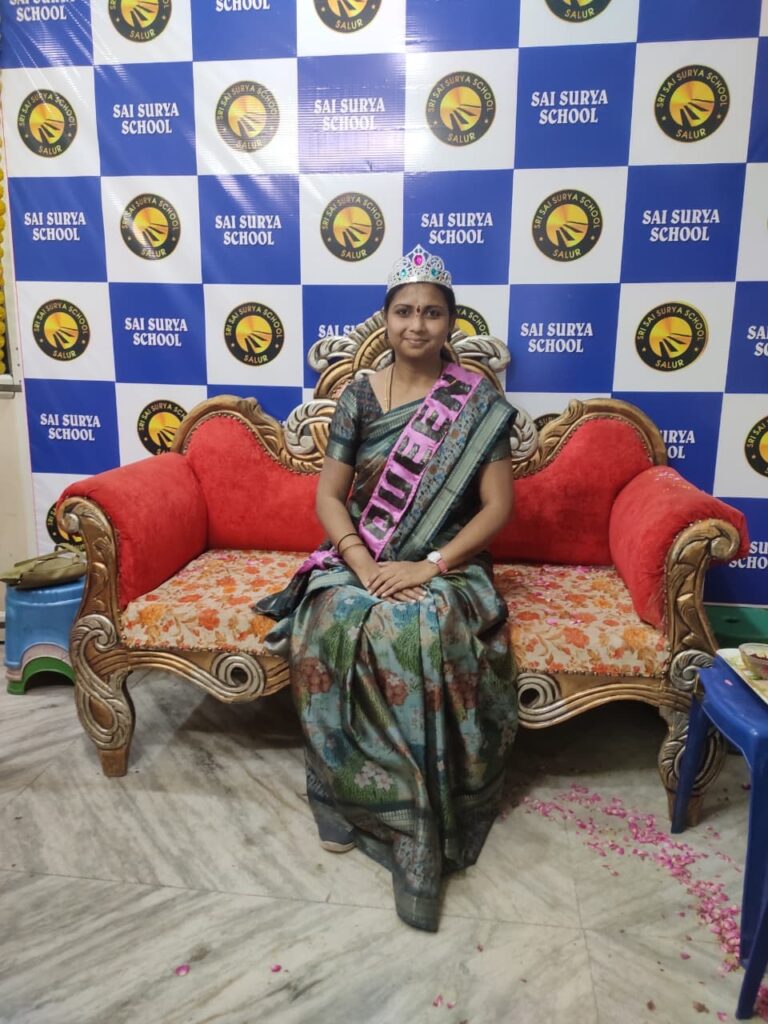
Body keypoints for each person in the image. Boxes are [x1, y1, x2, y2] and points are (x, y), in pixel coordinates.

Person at [255, 245, 518, 932]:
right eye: (404, 311)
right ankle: (346, 797)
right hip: (362, 553)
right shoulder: (360, 396)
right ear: (386, 318)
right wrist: (360, 560)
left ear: (450, 322)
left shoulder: (477, 402)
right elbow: (330, 496)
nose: (416, 325)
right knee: (330, 617)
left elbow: (497, 509)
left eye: (431, 313)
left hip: (446, 562)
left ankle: (415, 826)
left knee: (416, 628)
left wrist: (430, 566)